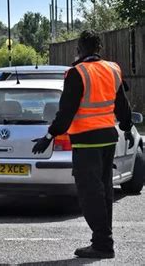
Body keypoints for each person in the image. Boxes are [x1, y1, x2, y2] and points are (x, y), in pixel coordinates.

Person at [31, 30, 133, 259]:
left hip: (87, 142)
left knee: (90, 193)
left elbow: (66, 112)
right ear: (99, 49)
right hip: (108, 139)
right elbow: (122, 106)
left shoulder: (77, 73)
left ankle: (103, 244)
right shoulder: (113, 69)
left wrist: (49, 136)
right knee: (104, 191)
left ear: (80, 49)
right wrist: (126, 126)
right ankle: (103, 240)